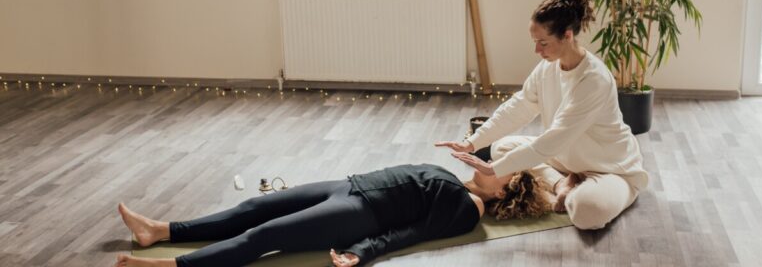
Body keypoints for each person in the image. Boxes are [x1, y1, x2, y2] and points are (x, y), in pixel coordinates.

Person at [436, 0, 648, 230]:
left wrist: (493, 169)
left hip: (608, 167)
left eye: (543, 42)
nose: (537, 50)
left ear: (567, 36)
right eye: (535, 42)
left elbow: (553, 140)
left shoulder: (593, 79)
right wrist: (473, 143)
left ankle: (607, 190)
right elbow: (520, 106)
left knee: (587, 213)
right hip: (565, 158)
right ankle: (562, 184)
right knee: (500, 148)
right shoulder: (548, 67)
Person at [113, 164, 552, 267]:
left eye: (501, 171)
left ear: (503, 192)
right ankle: (161, 230)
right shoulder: (461, 182)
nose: (489, 166)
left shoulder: (466, 211)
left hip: (361, 213)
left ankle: (171, 265)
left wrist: (360, 252)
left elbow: (409, 234)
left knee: (265, 235)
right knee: (253, 208)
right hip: (349, 185)